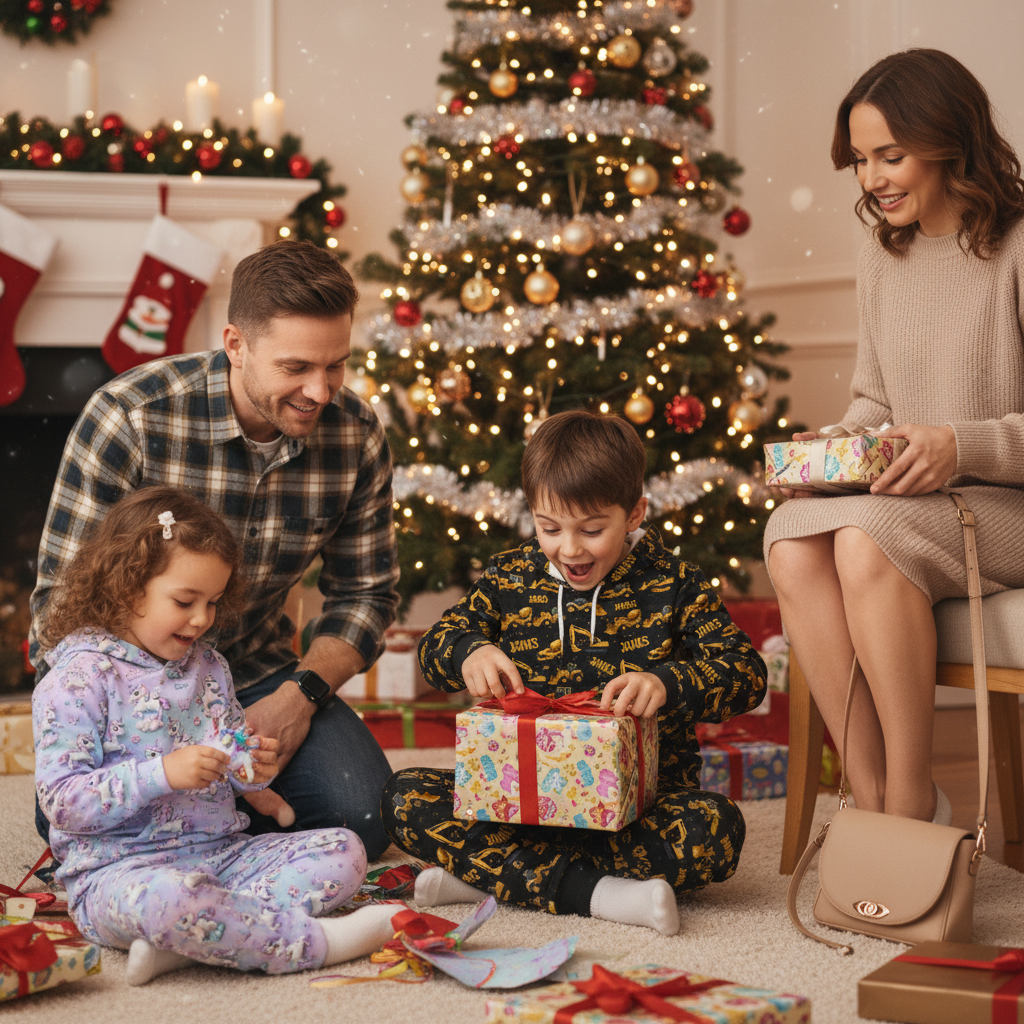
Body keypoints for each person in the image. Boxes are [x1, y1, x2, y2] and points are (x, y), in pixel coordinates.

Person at [29, 239, 399, 857]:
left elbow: (366, 595)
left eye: (335, 365)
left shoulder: (356, 436)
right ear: (236, 345)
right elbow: (60, 604)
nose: (321, 390)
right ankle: (202, 824)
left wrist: (297, 699)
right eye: (295, 368)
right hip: (129, 687)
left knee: (367, 814)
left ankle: (200, 828)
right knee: (79, 816)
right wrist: (175, 741)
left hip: (258, 676)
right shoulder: (130, 417)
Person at [381, 410, 766, 936]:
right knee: (402, 795)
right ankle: (603, 895)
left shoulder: (675, 582)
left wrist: (666, 682)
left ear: (634, 513)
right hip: (513, 807)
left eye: (592, 529)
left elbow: (745, 674)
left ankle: (491, 876)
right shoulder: (508, 576)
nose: (569, 549)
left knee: (714, 829)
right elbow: (437, 646)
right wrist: (469, 652)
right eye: (549, 528)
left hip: (633, 814)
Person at [765, 48, 1024, 825]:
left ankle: (911, 803)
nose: (872, 179)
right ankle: (870, 794)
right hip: (918, 505)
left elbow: (956, 440)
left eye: (890, 156)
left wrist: (961, 445)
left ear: (950, 144)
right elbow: (875, 398)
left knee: (863, 543)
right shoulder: (884, 251)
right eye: (860, 160)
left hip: (1003, 506)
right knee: (789, 534)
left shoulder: (1016, 247)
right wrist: (827, 451)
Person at [33, 488, 397, 985]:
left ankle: (197, 940)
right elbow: (63, 802)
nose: (203, 619)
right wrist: (163, 774)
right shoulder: (75, 681)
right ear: (125, 585)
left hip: (221, 856)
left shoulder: (209, 666)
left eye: (213, 602)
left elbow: (228, 759)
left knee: (345, 850)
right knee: (170, 902)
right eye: (185, 601)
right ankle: (315, 944)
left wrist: (252, 773)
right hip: (118, 874)